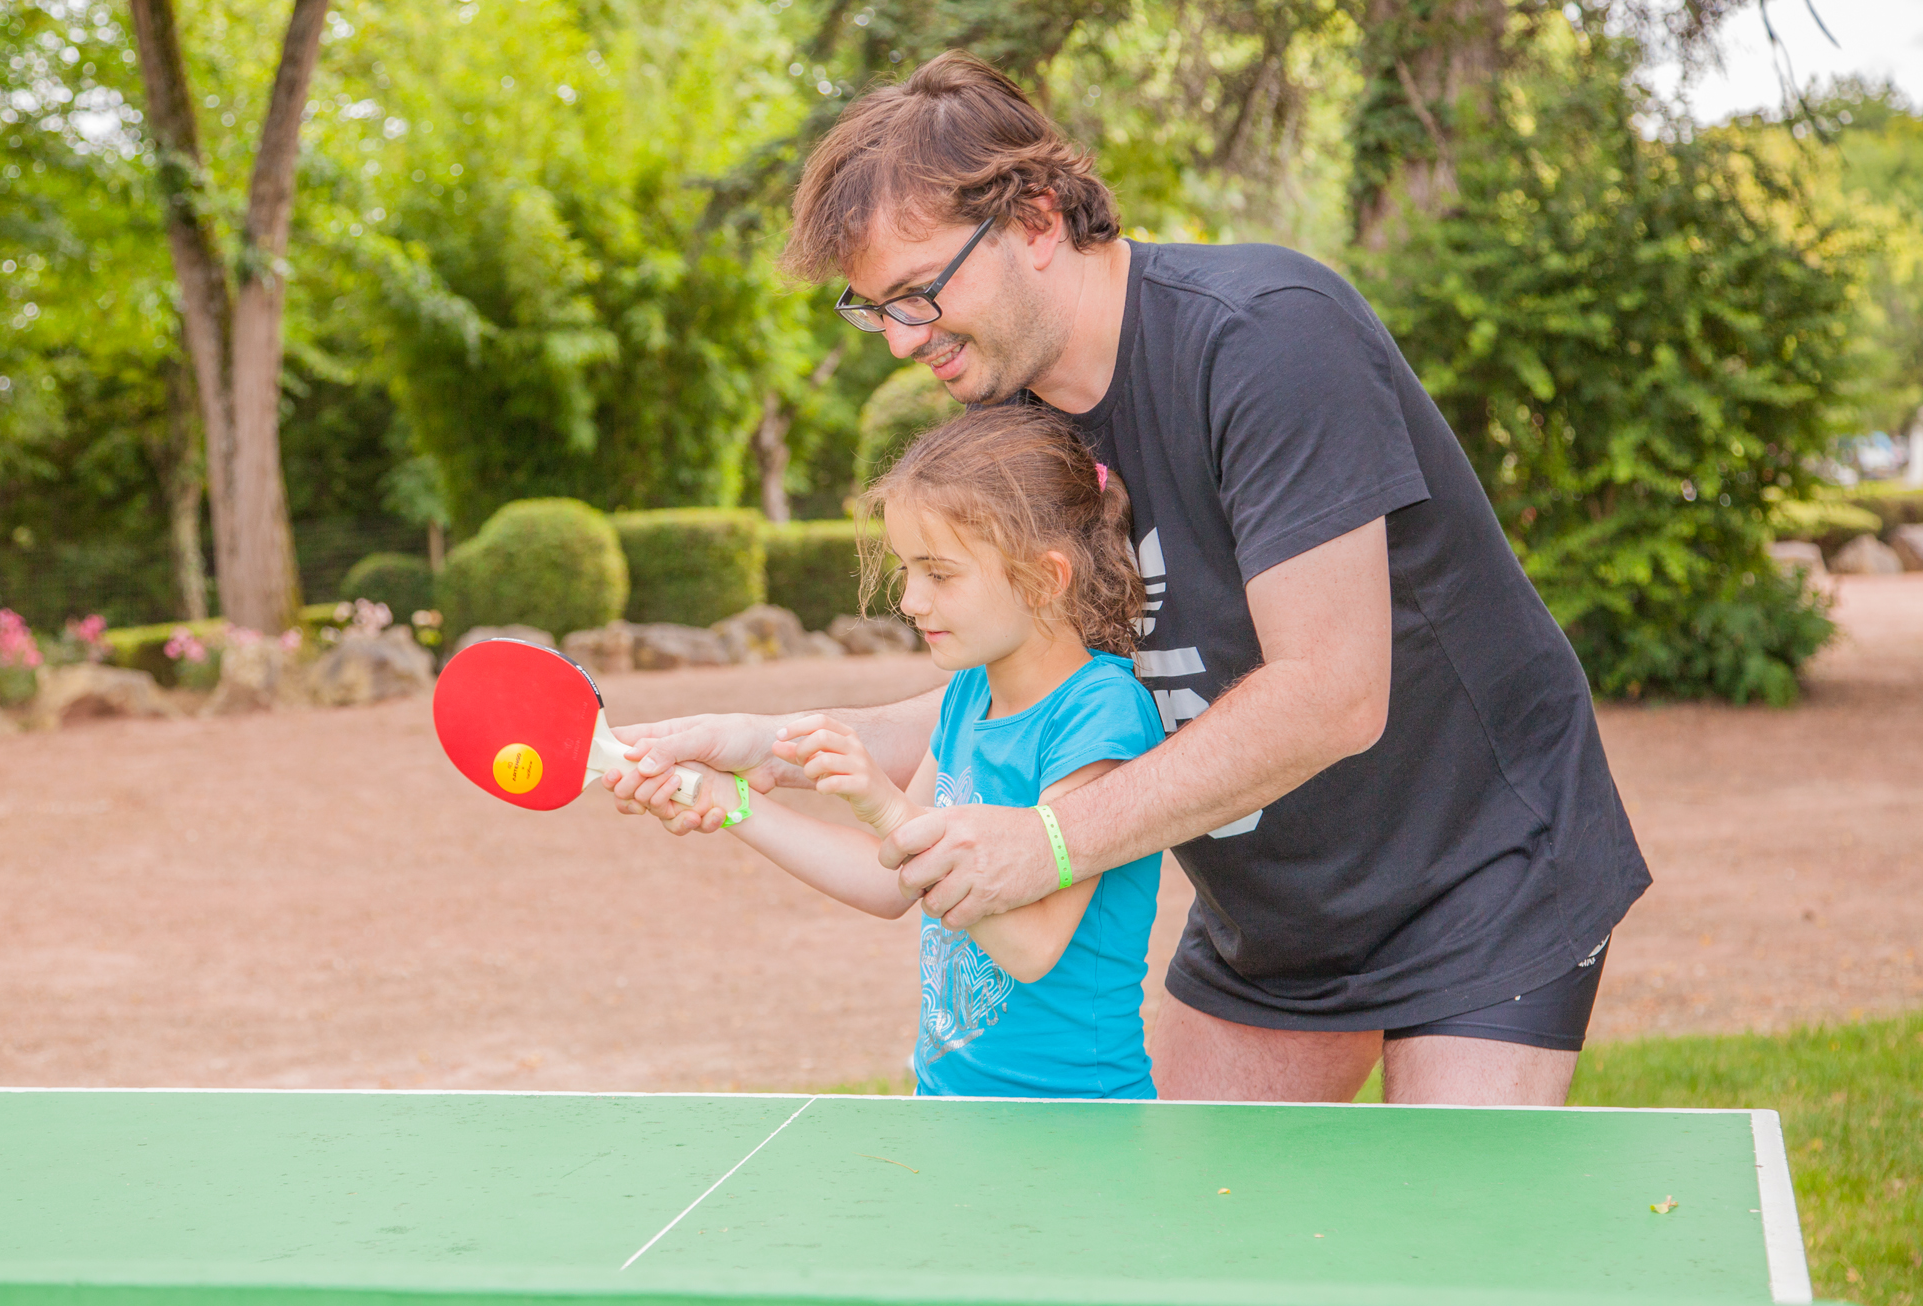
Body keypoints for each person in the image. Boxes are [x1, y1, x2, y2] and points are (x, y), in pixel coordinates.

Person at [610, 51, 1649, 1107]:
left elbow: (1333, 692)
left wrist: (1052, 843)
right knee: (1186, 1218)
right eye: (876, 309)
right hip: (1272, 914)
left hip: (1480, 876)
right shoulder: (1012, 426)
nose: (900, 341)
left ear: (1036, 219)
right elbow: (1017, 699)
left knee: (1441, 1214)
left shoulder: (1268, 338)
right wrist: (763, 747)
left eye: (918, 293)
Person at [662, 406, 1165, 1099]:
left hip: (1075, 1122)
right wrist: (733, 803)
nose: (910, 600)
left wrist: (884, 805)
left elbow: (1032, 946)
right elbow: (887, 881)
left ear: (1046, 579)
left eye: (939, 574)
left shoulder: (1100, 714)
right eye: (907, 570)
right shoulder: (969, 694)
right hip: (948, 1104)